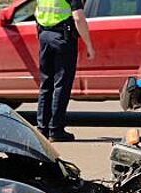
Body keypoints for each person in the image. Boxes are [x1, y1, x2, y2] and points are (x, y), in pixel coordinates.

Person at [35, 0, 95, 142]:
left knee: (46, 85)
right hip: (62, 38)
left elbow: (37, 12)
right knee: (61, 85)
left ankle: (42, 128)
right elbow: (78, 17)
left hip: (44, 35)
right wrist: (89, 45)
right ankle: (56, 129)